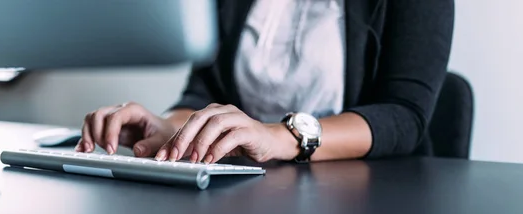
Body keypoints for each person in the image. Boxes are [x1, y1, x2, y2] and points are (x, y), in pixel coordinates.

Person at [77, 0, 454, 164]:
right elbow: (204, 89)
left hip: (374, 203)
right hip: (247, 193)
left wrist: (276, 137)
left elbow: (405, 114)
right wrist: (170, 128)